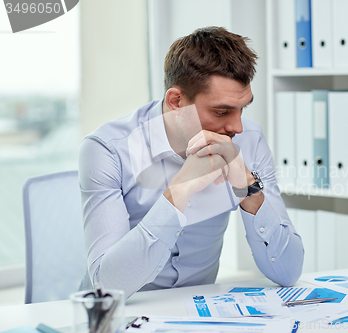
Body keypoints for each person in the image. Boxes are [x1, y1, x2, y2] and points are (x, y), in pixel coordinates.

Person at [79, 26, 304, 298]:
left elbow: (289, 271)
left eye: (242, 108)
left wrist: (248, 188)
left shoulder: (250, 140)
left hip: (200, 313)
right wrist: (180, 190)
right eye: (221, 111)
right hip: (119, 316)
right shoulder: (108, 150)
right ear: (176, 101)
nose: (237, 127)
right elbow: (108, 287)